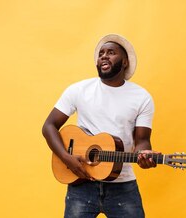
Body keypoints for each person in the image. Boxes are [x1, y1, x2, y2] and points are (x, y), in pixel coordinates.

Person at [42, 34, 158, 218]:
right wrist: (66, 158)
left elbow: (142, 141)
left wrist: (146, 156)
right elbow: (49, 126)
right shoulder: (79, 90)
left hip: (123, 187)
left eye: (111, 52)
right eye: (101, 53)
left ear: (125, 62)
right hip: (81, 184)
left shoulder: (142, 97)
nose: (104, 56)